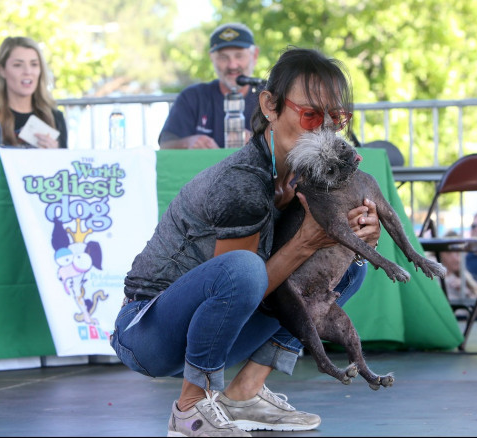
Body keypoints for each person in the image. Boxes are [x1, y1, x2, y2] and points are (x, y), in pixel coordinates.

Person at [110, 46, 380, 436]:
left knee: (349, 270)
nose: (323, 131)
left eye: (335, 118)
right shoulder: (243, 182)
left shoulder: (308, 177)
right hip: (148, 332)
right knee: (244, 268)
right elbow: (240, 283)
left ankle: (244, 394)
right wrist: (306, 243)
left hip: (214, 329)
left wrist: (356, 236)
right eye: (310, 115)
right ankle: (190, 409)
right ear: (270, 106)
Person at [158, 22, 260, 149]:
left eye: (239, 56)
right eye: (223, 57)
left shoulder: (270, 97)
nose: (232, 65)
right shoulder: (192, 97)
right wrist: (188, 143)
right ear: (211, 58)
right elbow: (165, 144)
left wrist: (259, 144)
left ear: (254, 55)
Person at [0, 36, 67, 149]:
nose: (28, 72)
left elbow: (65, 164)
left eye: (34, 64)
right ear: (2, 70)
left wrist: (55, 154)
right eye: (18, 65)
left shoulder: (55, 117)